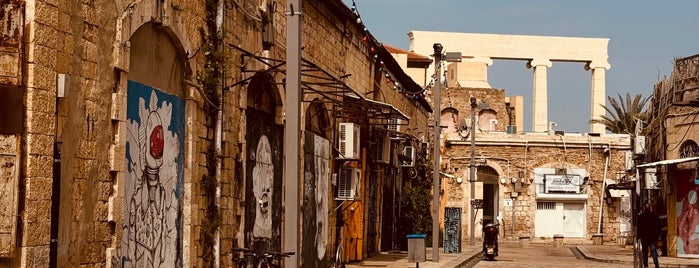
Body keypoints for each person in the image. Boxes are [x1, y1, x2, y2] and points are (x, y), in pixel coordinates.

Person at [638, 202, 661, 268]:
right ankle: (656, 263)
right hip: (653, 237)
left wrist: (638, 237)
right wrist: (658, 235)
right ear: (650, 208)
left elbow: (639, 228)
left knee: (645, 252)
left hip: (644, 237)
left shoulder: (641, 217)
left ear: (644, 208)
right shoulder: (654, 216)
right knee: (653, 250)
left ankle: (645, 265)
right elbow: (659, 226)